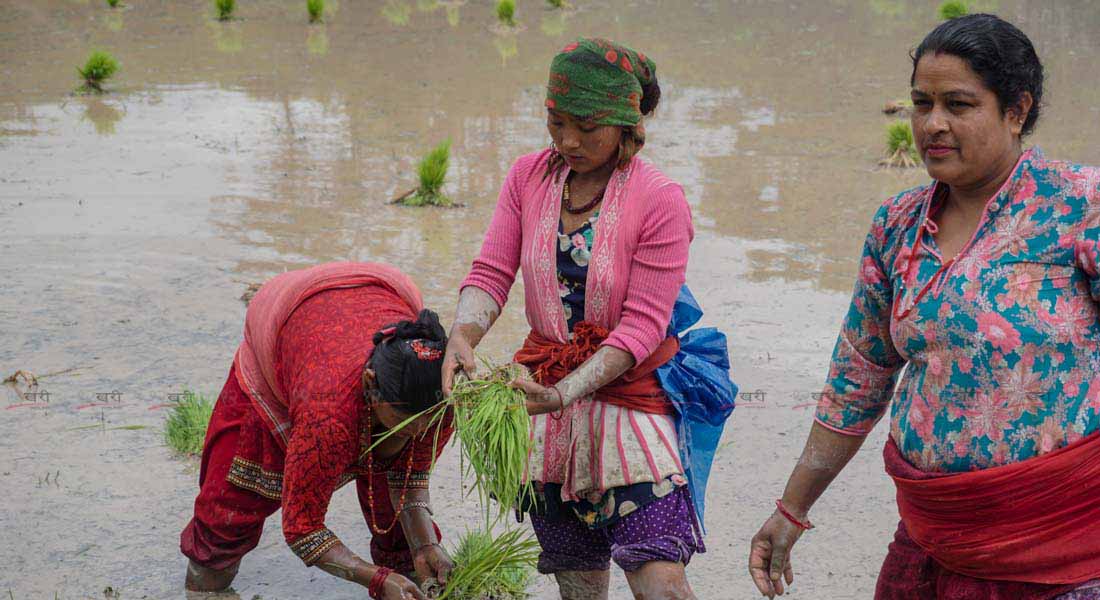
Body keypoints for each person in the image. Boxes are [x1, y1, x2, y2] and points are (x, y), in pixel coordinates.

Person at [748, 14, 1100, 600]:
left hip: (1063, 543)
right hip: (935, 535)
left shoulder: (1080, 206)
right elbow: (857, 377)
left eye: (958, 104)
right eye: (921, 103)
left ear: (1016, 110)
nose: (932, 124)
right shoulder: (897, 225)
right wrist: (792, 509)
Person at [442, 38, 718, 600]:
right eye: (556, 121)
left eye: (587, 127)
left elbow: (642, 326)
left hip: (630, 401)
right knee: (578, 580)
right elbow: (493, 269)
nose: (568, 140)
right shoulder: (528, 177)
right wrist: (462, 336)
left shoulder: (659, 198)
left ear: (625, 125)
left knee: (660, 579)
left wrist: (567, 390)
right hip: (544, 405)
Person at [180, 262, 454, 600]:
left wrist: (427, 545)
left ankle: (413, 575)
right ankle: (205, 589)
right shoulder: (328, 415)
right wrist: (375, 579)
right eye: (402, 422)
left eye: (425, 424)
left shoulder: (442, 396)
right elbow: (302, 528)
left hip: (366, 300)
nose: (417, 434)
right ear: (371, 385)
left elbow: (410, 477)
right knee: (227, 516)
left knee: (396, 525)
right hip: (289, 328)